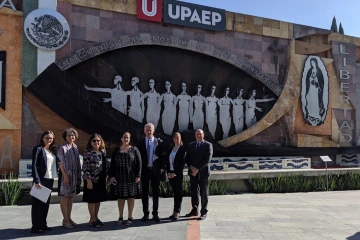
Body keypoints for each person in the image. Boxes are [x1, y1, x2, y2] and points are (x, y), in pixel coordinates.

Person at [108, 132, 142, 226]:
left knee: (131, 197)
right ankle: (120, 216)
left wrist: (138, 176)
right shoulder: (116, 150)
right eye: (124, 137)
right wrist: (111, 176)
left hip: (131, 176)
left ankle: (130, 217)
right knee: (121, 197)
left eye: (127, 137)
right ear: (121, 139)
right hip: (119, 176)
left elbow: (139, 163)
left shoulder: (134, 149)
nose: (126, 139)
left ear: (129, 139)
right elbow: (112, 165)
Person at [137, 123, 165, 222]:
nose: (149, 132)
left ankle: (155, 214)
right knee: (144, 193)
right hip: (144, 171)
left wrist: (161, 169)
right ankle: (146, 213)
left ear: (153, 131)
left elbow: (162, 157)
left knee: (156, 193)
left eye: (151, 130)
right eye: (147, 130)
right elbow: (138, 159)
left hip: (155, 171)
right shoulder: (140, 143)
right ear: (144, 131)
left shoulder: (159, 142)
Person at [31, 130, 57, 234]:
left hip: (50, 179)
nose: (49, 140)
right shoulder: (38, 149)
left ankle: (43, 224)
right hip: (41, 180)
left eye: (51, 138)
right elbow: (34, 165)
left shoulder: (52, 150)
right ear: (42, 138)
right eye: (47, 138)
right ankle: (36, 227)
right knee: (38, 205)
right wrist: (37, 180)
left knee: (45, 204)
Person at [185, 129, 213, 220]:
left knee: (204, 193)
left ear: (203, 135)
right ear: (195, 135)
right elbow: (187, 158)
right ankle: (194, 210)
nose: (198, 136)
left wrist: (198, 169)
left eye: (200, 134)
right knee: (194, 192)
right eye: (197, 134)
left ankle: (203, 212)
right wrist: (191, 167)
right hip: (193, 173)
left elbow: (207, 159)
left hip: (203, 173)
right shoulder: (191, 145)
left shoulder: (208, 145)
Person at [57, 128, 82, 229]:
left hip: (74, 176)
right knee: (64, 197)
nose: (71, 137)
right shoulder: (62, 148)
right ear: (65, 137)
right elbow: (60, 163)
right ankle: (65, 219)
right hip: (65, 176)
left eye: (73, 135)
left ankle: (69, 217)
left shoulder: (75, 147)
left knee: (71, 197)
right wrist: (65, 176)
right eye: (69, 135)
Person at [82, 134, 108, 228]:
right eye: (94, 141)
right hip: (91, 179)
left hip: (101, 179)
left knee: (98, 199)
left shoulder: (103, 152)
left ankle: (96, 218)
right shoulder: (87, 153)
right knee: (92, 199)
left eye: (98, 140)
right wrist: (88, 180)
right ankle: (92, 219)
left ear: (101, 142)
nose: (96, 142)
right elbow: (85, 168)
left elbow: (105, 165)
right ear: (90, 142)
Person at [164, 132, 186, 220]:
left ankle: (177, 211)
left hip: (178, 174)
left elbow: (182, 164)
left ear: (180, 139)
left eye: (178, 137)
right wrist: (168, 172)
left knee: (178, 193)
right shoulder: (170, 149)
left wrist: (175, 173)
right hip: (171, 174)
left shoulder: (182, 149)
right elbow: (167, 162)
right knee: (175, 193)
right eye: (175, 138)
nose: (176, 139)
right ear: (173, 139)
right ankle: (174, 212)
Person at [304, 57, 326, 126]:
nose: (312, 64)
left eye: (313, 63)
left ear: (316, 63)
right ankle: (310, 114)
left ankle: (316, 114)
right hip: (310, 89)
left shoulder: (319, 71)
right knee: (309, 100)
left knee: (316, 102)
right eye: (311, 63)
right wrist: (311, 79)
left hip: (316, 90)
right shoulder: (310, 70)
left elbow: (321, 82)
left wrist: (316, 81)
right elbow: (307, 80)